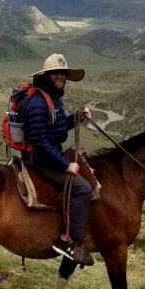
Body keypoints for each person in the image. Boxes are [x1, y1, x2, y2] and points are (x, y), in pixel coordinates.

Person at [20, 53, 94, 266]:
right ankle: (68, 241)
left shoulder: (52, 98)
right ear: (46, 76)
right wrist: (65, 164)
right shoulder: (37, 103)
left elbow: (57, 128)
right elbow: (40, 142)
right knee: (82, 188)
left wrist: (76, 117)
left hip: (49, 154)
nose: (61, 76)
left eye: (63, 73)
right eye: (56, 73)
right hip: (41, 159)